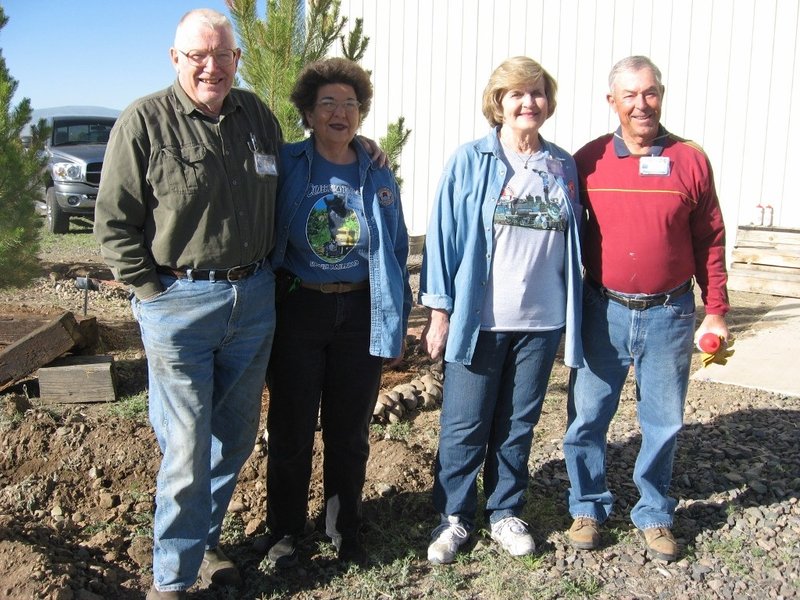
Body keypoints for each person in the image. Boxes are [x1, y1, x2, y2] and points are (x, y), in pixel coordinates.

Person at [94, 9, 282, 599]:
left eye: (221, 55)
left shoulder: (257, 117)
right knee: (185, 448)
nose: (211, 66)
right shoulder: (143, 122)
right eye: (197, 55)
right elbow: (113, 223)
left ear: (237, 60)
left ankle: (203, 545)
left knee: (235, 436)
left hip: (252, 300)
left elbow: (296, 174)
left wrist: (365, 145)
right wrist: (154, 294)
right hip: (179, 304)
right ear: (175, 59)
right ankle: (170, 583)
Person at [563, 55, 729, 562]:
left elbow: (711, 239)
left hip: (670, 313)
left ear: (662, 95)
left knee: (663, 420)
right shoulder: (587, 160)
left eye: (650, 92)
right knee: (587, 415)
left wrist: (717, 309)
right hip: (602, 310)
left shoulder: (691, 160)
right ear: (611, 101)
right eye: (630, 95)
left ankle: (654, 512)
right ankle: (587, 505)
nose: (641, 104)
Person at [419, 56, 583, 564]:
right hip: (479, 319)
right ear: (499, 102)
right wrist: (440, 310)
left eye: (536, 93)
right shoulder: (470, 160)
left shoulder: (561, 164)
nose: (527, 102)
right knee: (465, 424)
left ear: (548, 102)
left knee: (517, 423)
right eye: (516, 94)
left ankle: (505, 510)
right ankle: (453, 517)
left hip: (541, 321)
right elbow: (443, 237)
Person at [262, 57, 412, 567]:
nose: (340, 112)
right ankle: (284, 531)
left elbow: (393, 251)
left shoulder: (376, 171)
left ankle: (345, 529)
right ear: (307, 111)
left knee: (349, 432)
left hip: (360, 309)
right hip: (299, 308)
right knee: (291, 428)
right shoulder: (287, 162)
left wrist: (395, 324)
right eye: (327, 102)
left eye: (350, 104)